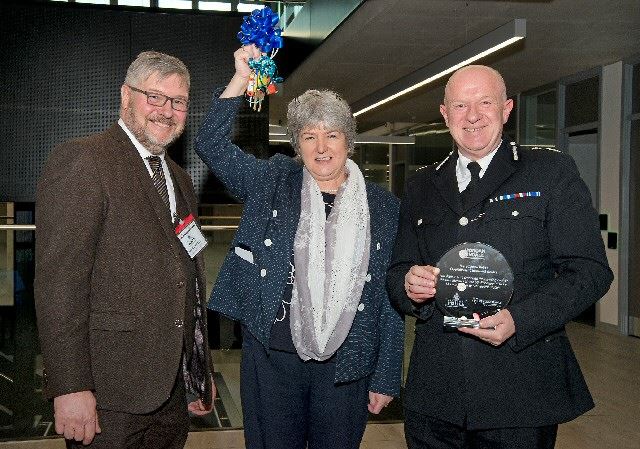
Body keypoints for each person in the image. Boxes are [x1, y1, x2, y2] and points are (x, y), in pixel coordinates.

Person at [386, 65, 613, 449]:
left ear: (507, 109)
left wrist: (519, 320)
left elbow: (590, 271)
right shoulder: (421, 184)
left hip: (519, 393)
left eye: (484, 102)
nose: (472, 115)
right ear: (444, 115)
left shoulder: (550, 172)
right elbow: (395, 273)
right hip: (435, 395)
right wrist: (410, 285)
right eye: (460, 105)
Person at [194, 44, 404, 449]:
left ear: (349, 141)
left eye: (332, 135)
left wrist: (385, 374)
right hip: (272, 356)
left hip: (348, 361)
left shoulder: (383, 207)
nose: (321, 147)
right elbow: (211, 145)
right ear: (297, 144)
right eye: (309, 137)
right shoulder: (274, 181)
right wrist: (240, 78)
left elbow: (387, 296)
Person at [34, 51, 216, 449]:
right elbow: (59, 285)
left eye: (178, 101)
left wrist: (198, 370)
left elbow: (189, 283)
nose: (166, 111)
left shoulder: (181, 180)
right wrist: (70, 387)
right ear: (125, 96)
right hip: (106, 395)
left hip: (169, 395)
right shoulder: (84, 160)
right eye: (154, 96)